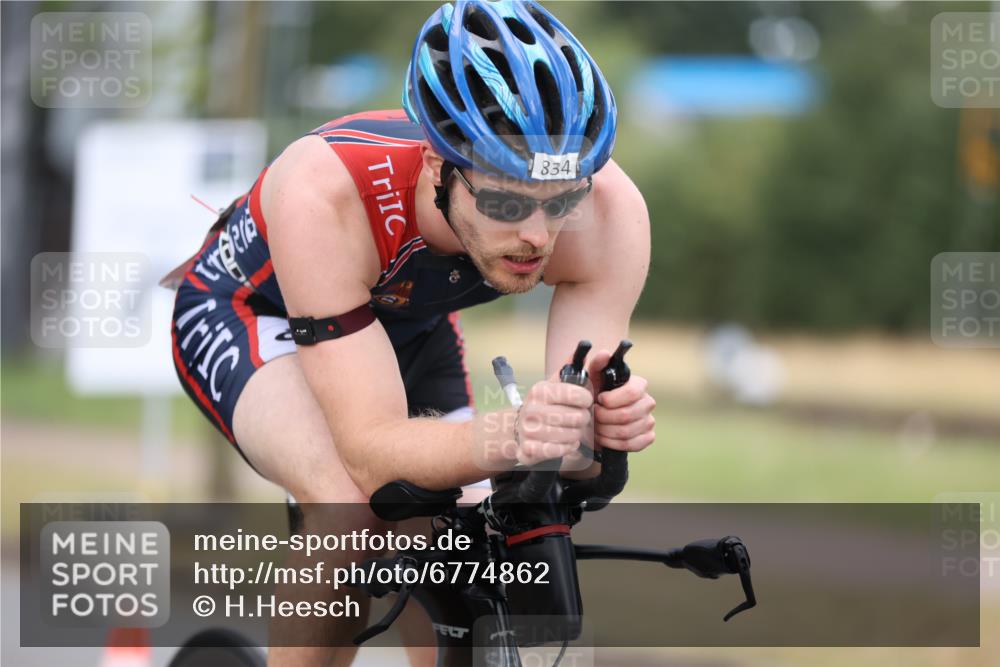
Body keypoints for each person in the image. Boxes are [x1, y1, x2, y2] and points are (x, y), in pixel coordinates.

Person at [169, 1, 655, 664]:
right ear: (436, 167)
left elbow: (567, 461)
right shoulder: (326, 189)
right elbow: (372, 453)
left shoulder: (610, 215)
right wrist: (512, 434)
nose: (538, 235)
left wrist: (598, 433)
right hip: (254, 308)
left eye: (560, 201)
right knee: (350, 505)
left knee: (475, 544)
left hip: (406, 314)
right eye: (507, 202)